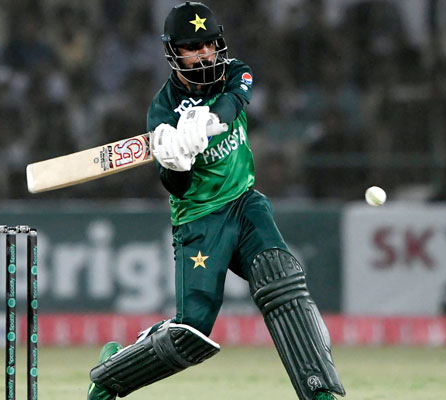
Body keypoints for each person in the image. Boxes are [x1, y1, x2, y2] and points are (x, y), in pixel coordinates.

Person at [87, 3, 345, 400]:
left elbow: (234, 100)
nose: (206, 53)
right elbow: (176, 187)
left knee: (281, 280)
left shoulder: (235, 71)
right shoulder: (162, 111)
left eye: (210, 43)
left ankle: (320, 391)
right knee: (192, 333)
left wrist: (207, 123)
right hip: (200, 221)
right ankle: (112, 374)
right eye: (194, 47)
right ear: (174, 52)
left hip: (245, 204)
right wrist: (176, 161)